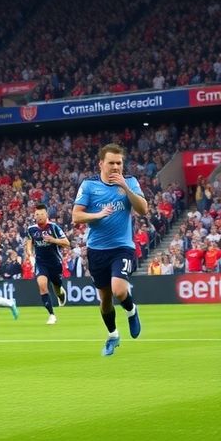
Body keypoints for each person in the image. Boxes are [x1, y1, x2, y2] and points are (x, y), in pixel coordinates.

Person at [72, 143, 147, 356]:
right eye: (111, 163)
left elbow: (143, 209)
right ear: (101, 164)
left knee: (119, 290)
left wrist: (126, 187)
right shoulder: (88, 186)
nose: (115, 166)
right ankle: (113, 335)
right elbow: (76, 216)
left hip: (122, 248)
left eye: (119, 163)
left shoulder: (130, 182)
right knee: (105, 300)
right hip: (96, 251)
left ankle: (132, 311)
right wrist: (97, 215)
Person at [25, 204, 70, 325]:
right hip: (41, 262)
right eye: (36, 215)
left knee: (57, 288)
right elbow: (29, 243)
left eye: (41, 214)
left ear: (46, 215)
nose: (39, 216)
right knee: (42, 285)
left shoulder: (54, 228)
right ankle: (51, 314)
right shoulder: (31, 229)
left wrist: (53, 240)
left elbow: (67, 243)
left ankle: (61, 294)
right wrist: (30, 254)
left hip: (55, 263)